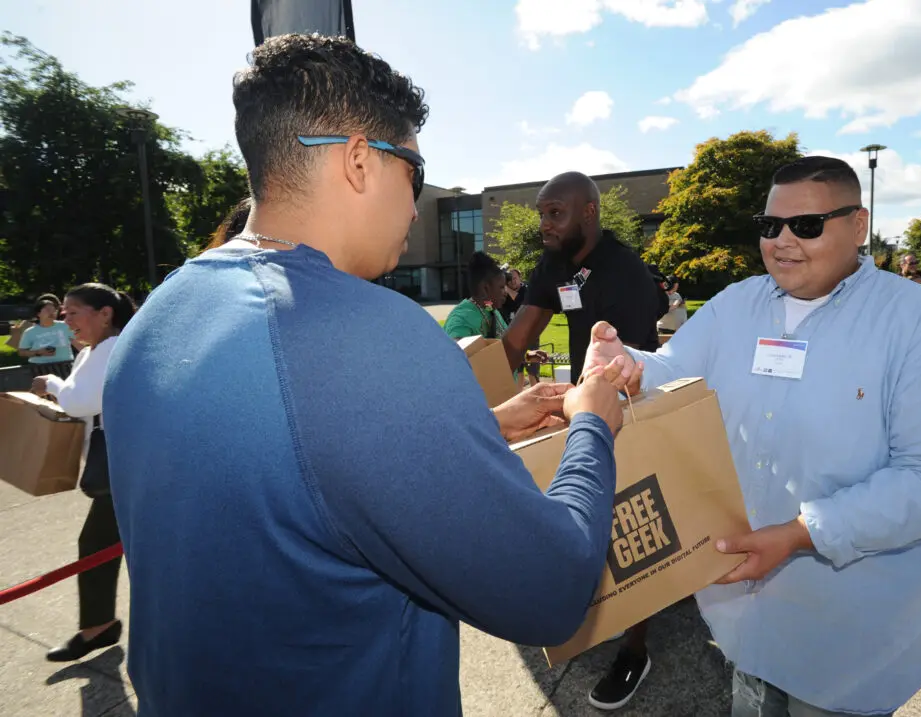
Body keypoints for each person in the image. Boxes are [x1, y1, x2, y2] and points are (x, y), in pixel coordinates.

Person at [102, 34, 624, 717]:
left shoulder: (158, 314)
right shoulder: (372, 334)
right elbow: (551, 589)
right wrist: (594, 422)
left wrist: (481, 427)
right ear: (356, 160)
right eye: (413, 170)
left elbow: (288, 466)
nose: (414, 206)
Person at [582, 156, 921, 715]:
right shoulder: (738, 303)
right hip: (742, 616)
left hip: (851, 634)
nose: (782, 241)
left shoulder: (919, 323)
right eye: (769, 226)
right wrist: (627, 364)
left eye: (805, 226)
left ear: (858, 226)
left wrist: (803, 533)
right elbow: (672, 368)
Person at [29, 283, 136, 662]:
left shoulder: (110, 348)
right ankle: (101, 625)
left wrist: (50, 384)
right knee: (109, 547)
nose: (65, 318)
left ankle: (99, 628)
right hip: (128, 466)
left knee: (96, 547)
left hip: (128, 468)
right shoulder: (99, 349)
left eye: (74, 311)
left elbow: (79, 400)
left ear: (105, 313)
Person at [502, 171, 662, 384]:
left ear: (589, 212)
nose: (543, 225)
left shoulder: (625, 271)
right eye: (542, 214)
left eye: (555, 213)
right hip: (585, 393)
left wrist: (575, 410)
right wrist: (479, 392)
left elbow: (617, 375)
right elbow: (518, 337)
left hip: (633, 402)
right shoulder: (554, 262)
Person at [444, 252, 509, 339]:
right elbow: (456, 350)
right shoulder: (461, 320)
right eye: (501, 287)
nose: (505, 292)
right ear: (485, 288)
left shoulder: (489, 308)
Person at [17, 295, 82, 374]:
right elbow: (22, 352)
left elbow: (77, 343)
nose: (52, 313)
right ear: (38, 313)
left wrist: (89, 356)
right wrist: (38, 352)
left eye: (54, 310)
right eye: (48, 310)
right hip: (40, 368)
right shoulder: (30, 332)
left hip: (65, 366)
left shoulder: (65, 326)